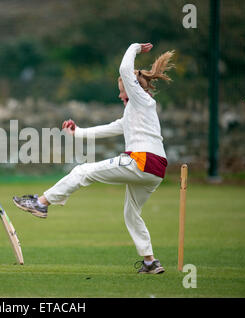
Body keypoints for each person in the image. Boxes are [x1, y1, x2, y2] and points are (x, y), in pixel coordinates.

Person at [13, 43, 174, 274]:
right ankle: (150, 262)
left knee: (81, 171)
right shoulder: (137, 111)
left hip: (141, 161)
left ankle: (41, 203)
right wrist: (76, 132)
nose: (120, 95)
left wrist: (134, 47)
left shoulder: (141, 99)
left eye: (122, 90)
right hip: (155, 171)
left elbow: (124, 68)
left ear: (134, 88)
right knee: (131, 213)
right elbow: (108, 128)